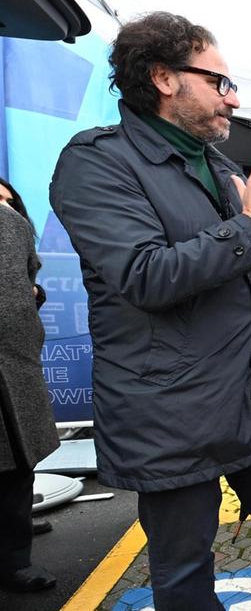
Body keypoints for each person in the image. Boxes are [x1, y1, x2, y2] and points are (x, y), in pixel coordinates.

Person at [49, 12, 251, 609]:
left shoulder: (221, 165)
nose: (231, 100)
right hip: (172, 415)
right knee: (184, 573)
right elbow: (145, 276)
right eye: (219, 82)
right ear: (163, 77)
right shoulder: (97, 163)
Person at [0, 178, 60, 593]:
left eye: (7, 201)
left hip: (13, 368)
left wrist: (33, 294)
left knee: (17, 468)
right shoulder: (9, 226)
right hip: (9, 366)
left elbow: (20, 291)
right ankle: (12, 558)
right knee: (11, 467)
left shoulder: (14, 228)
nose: (4, 207)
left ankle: (12, 540)